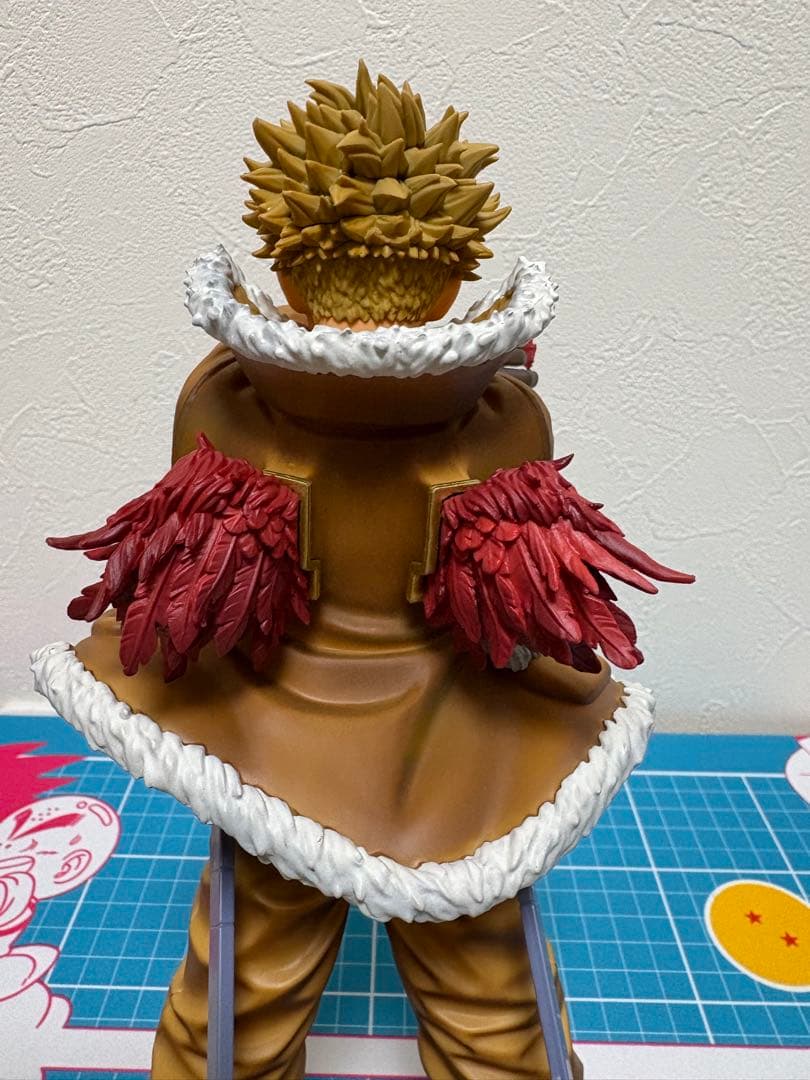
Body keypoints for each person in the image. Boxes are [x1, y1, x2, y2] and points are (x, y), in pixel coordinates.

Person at [33, 62, 691, 1079]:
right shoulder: (499, 418)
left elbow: (196, 591)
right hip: (416, 743)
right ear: (453, 277)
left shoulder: (226, 404)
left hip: (303, 736)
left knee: (263, 980)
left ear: (289, 272)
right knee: (469, 988)